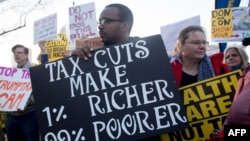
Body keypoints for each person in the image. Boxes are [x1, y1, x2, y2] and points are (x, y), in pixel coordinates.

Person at [70, 3, 160, 141]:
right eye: (99, 22)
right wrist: (74, 62)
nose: (100, 26)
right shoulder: (90, 58)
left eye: (107, 21)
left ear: (125, 25)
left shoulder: (149, 53)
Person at [5, 44, 40, 141]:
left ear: (26, 55)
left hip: (28, 115)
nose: (16, 55)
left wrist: (26, 103)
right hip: (11, 116)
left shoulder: (34, 71)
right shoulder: (10, 72)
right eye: (15, 53)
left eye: (19, 53)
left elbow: (38, 90)